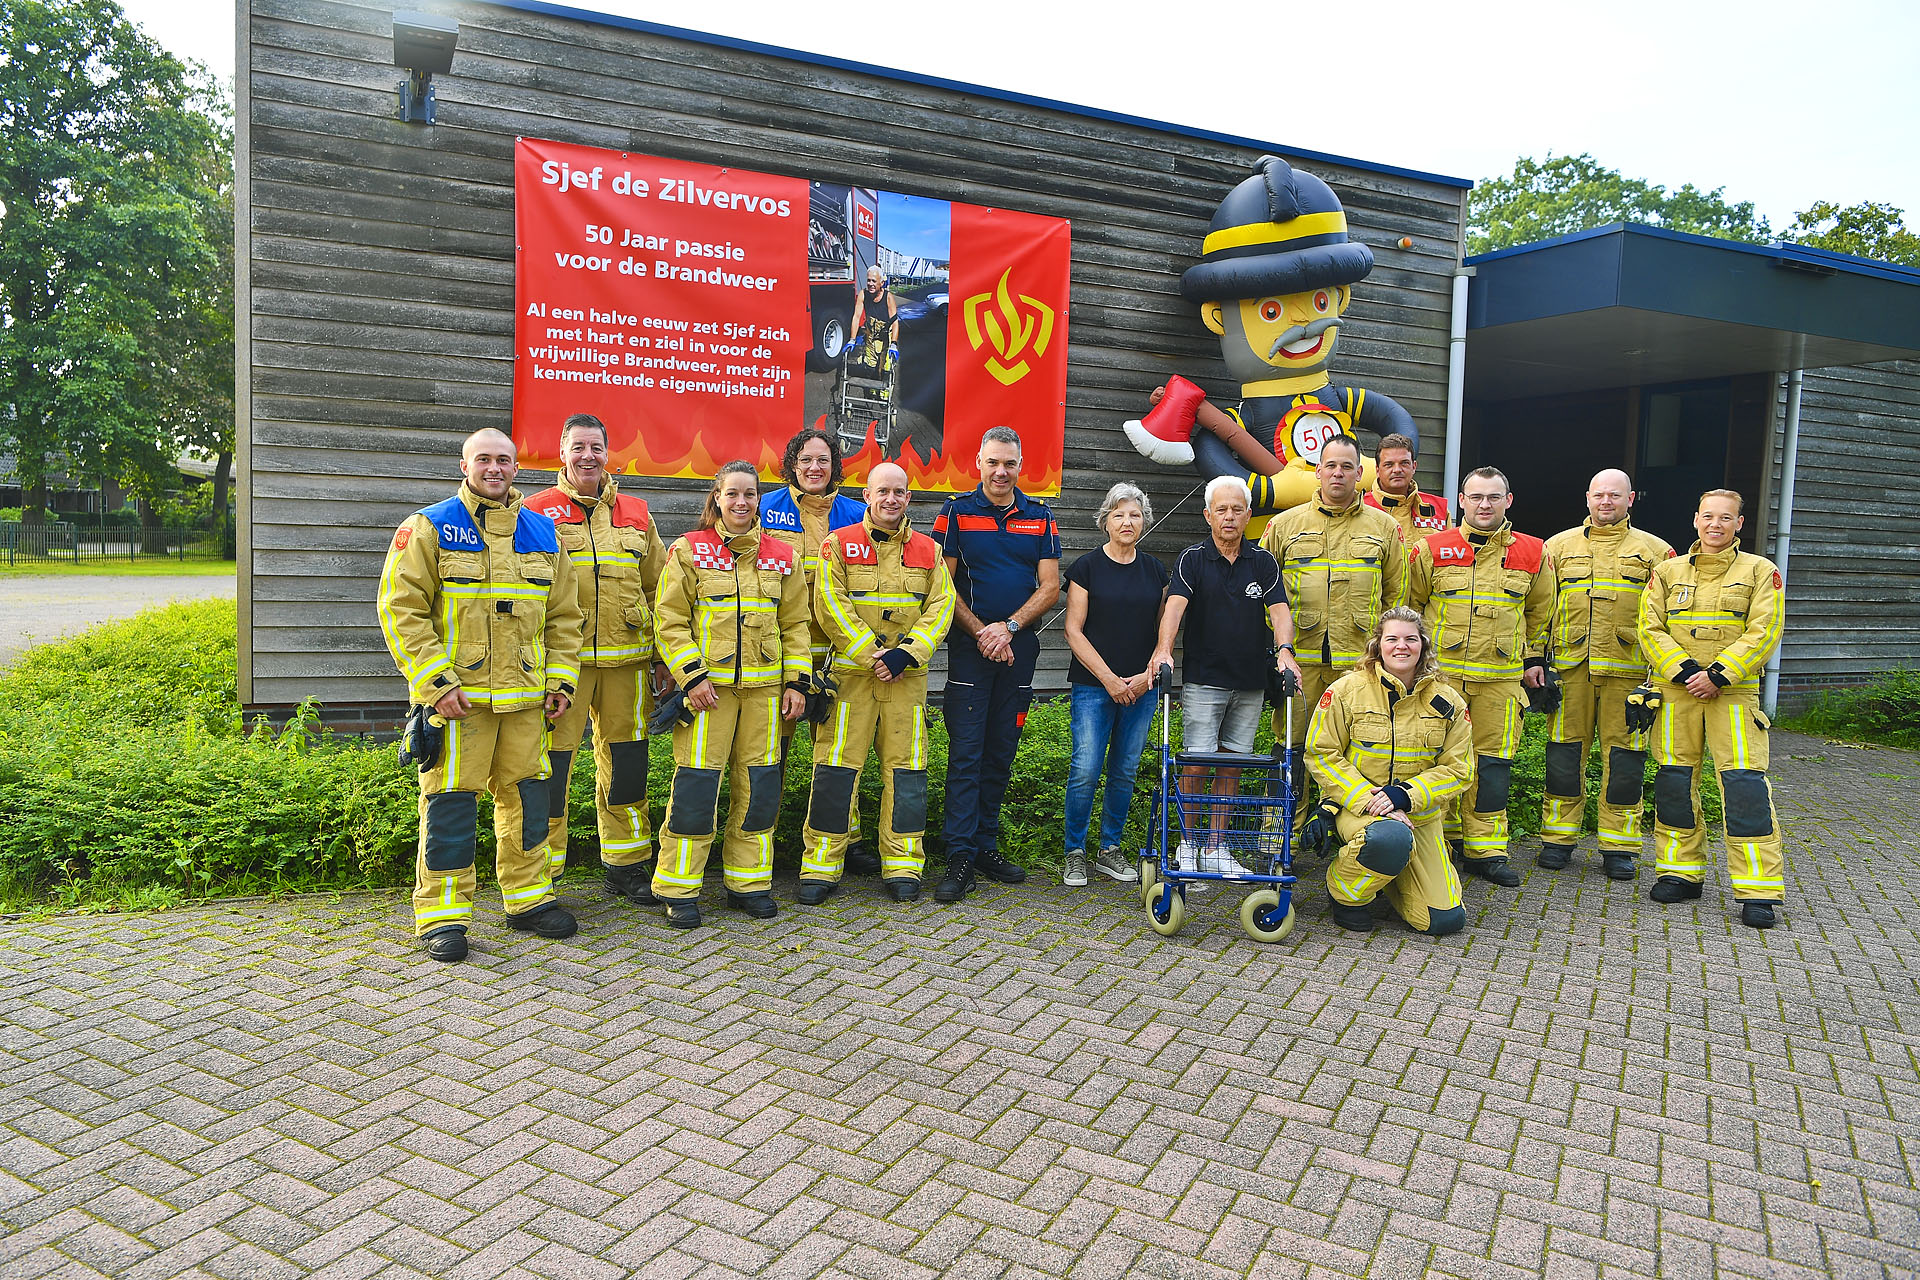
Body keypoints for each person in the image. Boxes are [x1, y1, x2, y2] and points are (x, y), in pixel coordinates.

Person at [376, 428, 583, 961]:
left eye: (505, 460)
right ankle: (443, 917)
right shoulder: (430, 526)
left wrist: (560, 682)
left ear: (518, 467)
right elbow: (401, 609)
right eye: (484, 459)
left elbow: (565, 619)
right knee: (449, 804)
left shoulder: (543, 531)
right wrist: (435, 683)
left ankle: (530, 901)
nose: (495, 468)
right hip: (458, 702)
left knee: (528, 801)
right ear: (464, 465)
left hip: (526, 701)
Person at [652, 461, 811, 927]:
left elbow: (797, 625)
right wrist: (692, 676)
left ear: (760, 499)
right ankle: (679, 887)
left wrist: (797, 682)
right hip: (709, 695)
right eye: (732, 494)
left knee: (759, 789)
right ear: (716, 499)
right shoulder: (689, 550)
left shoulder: (783, 555)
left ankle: (749, 883)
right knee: (697, 789)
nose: (742, 502)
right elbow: (670, 620)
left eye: (750, 494)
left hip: (765, 696)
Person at [523, 414, 672, 906]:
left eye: (596, 447)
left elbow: (661, 590)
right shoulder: (533, 512)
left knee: (627, 764)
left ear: (608, 453)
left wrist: (662, 659)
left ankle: (626, 865)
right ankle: (540, 873)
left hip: (628, 664)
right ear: (561, 452)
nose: (588, 456)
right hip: (560, 668)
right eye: (578, 447)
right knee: (551, 767)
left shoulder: (637, 512)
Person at [798, 462, 956, 902]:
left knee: (907, 773)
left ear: (909, 499)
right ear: (866, 496)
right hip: (851, 677)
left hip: (907, 679)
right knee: (835, 771)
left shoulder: (929, 551)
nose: (890, 499)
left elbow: (942, 606)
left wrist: (907, 653)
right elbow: (829, 603)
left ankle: (904, 864)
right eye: (882, 491)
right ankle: (821, 865)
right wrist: (873, 654)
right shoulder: (838, 544)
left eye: (899, 492)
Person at [1637, 489, 1787, 928]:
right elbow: (1649, 627)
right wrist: (1685, 671)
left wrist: (1719, 674)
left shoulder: (1761, 571)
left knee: (1744, 788)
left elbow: (1765, 628)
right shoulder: (1665, 572)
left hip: (1733, 696)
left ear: (1740, 524)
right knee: (1674, 783)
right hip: (1676, 692)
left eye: (1726, 518)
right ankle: (1680, 872)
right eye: (1708, 517)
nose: (1715, 525)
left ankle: (1758, 890)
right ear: (1695, 520)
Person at [1407, 466, 1554, 887]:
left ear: (1508, 500)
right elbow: (1410, 605)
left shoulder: (1533, 552)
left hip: (1501, 682)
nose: (1484, 505)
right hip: (1442, 680)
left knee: (1492, 766)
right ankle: (1442, 844)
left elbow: (1542, 613)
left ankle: (1486, 849)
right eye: (1476, 497)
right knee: (1435, 760)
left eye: (1493, 497)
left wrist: (1534, 660)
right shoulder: (1431, 549)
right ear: (1461, 500)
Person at [1148, 475, 1302, 878]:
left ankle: (1216, 848)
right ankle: (1188, 844)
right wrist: (1163, 649)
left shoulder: (1264, 561)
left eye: (1237, 509)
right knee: (1197, 765)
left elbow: (1280, 614)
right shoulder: (1191, 559)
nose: (1230, 517)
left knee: (1232, 766)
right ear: (1208, 515)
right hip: (1204, 680)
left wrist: (1285, 651)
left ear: (1248, 515)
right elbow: (1174, 609)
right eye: (1222, 509)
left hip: (1250, 681)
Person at [932, 426, 1061, 903]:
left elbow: (1049, 587)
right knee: (966, 753)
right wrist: (985, 634)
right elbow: (941, 586)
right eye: (993, 462)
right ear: (978, 463)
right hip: (969, 649)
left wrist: (1006, 628)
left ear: (1020, 465)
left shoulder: (1040, 517)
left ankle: (985, 845)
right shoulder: (955, 512)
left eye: (1009, 463)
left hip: (1018, 648)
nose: (1001, 471)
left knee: (1001, 750)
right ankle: (959, 854)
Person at [1258, 434, 1405, 835]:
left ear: (1360, 473)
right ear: (1318, 472)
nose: (1337, 473)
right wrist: (1270, 654)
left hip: (1359, 663)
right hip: (1299, 662)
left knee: (1353, 750)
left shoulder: (1385, 527)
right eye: (1330, 466)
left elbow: (1397, 596)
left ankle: (1346, 832)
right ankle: (1279, 833)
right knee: (1290, 745)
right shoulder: (1284, 525)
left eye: (1346, 466)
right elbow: (1260, 594)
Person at [1538, 469, 1674, 879]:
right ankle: (1558, 839)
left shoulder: (1657, 552)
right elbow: (1540, 608)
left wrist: (1659, 676)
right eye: (1599, 495)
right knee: (1563, 754)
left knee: (1627, 760)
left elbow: (1665, 618)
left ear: (1630, 500)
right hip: (1570, 668)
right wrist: (1536, 661)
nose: (1606, 502)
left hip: (1629, 674)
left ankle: (1620, 846)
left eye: (1615, 495)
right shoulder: (1556, 548)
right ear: (1587, 498)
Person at [1304, 607, 1473, 935]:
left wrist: (1404, 796)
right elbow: (1321, 754)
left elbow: (1460, 769)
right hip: (1359, 808)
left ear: (1422, 645)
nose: (1402, 646)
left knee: (1444, 921)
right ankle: (1346, 894)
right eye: (1392, 638)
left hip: (1419, 816)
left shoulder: (1449, 701)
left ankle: (1390, 873)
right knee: (1389, 839)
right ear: (1377, 645)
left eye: (1411, 639)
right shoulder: (1346, 691)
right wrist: (1372, 799)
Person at [759, 429, 869, 865]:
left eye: (823, 460)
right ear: (792, 463)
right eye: (805, 460)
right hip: (781, 653)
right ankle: (760, 843)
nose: (814, 468)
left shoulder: (858, 514)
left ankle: (845, 842)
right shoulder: (765, 509)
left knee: (837, 756)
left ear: (835, 467)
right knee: (770, 755)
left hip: (839, 654)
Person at [1061, 483, 1168, 887]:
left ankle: (1109, 850)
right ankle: (1074, 851)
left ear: (1144, 522)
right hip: (1093, 686)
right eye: (1119, 514)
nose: (1127, 521)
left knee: (1124, 770)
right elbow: (1073, 631)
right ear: (1105, 520)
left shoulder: (1157, 570)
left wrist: (1144, 677)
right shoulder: (1086, 568)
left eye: (1135, 515)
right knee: (1086, 768)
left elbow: (1164, 631)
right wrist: (1109, 680)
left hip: (1142, 687)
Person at [1363, 432, 1451, 545]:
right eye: (1389, 464)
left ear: (1414, 467)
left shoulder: (1438, 509)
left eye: (1404, 463)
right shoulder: (1361, 508)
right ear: (1377, 469)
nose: (1397, 470)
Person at [847, 267, 898, 380]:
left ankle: (884, 395)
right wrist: (852, 339)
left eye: (874, 281)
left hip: (886, 337)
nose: (870, 284)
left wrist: (894, 343)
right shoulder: (863, 294)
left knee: (885, 368)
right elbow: (856, 317)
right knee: (870, 366)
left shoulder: (888, 297)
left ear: (882, 282)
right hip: (871, 335)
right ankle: (872, 392)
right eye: (869, 280)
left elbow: (895, 322)